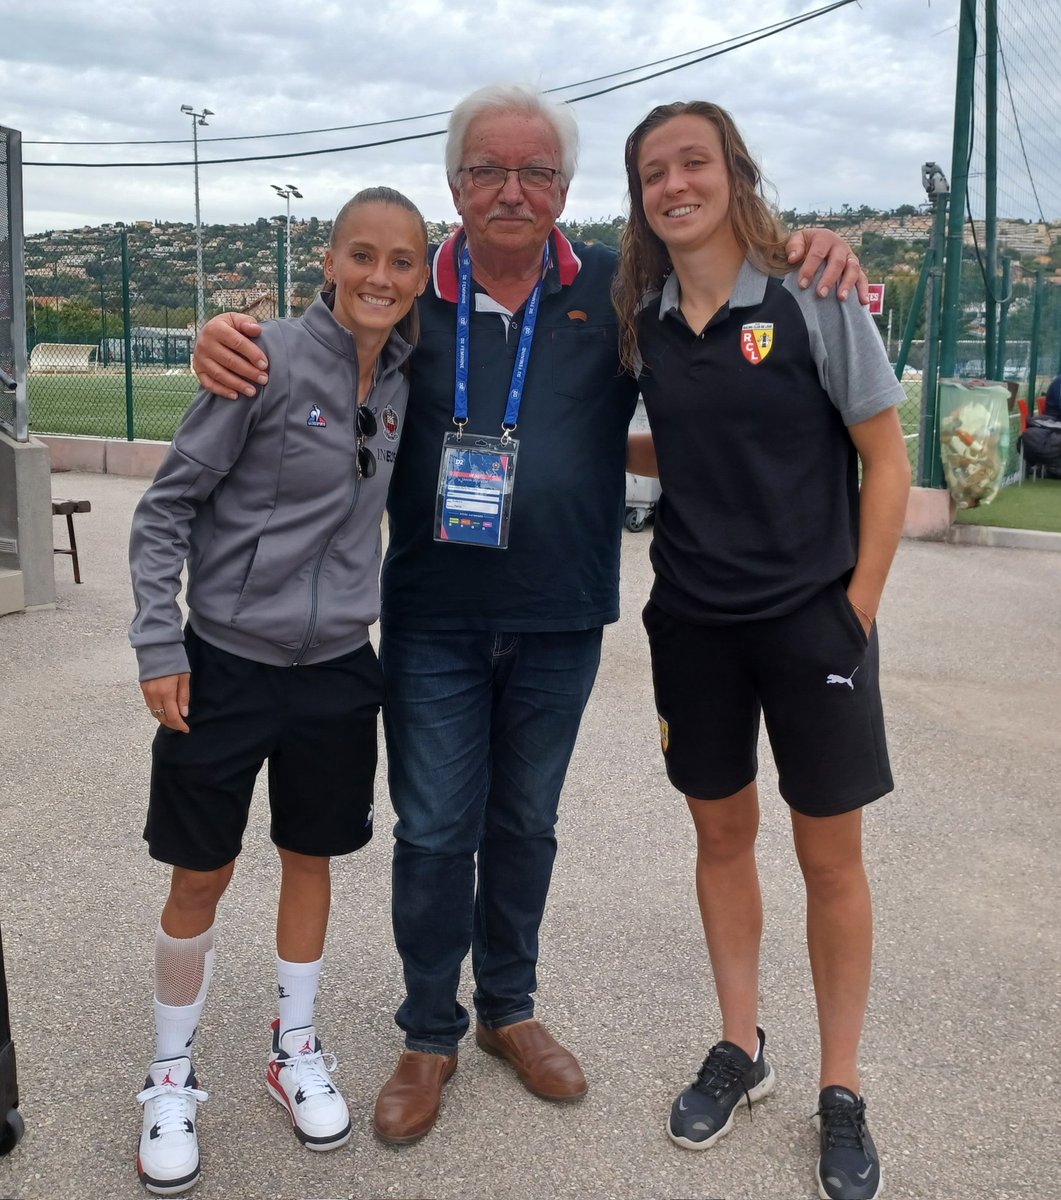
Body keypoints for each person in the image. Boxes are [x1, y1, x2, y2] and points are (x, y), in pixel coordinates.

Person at [190, 84, 865, 1146]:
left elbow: (719, 306)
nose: (512, 190)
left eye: (536, 172)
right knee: (435, 829)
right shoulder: (407, 291)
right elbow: (308, 343)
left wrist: (808, 243)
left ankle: (508, 1007)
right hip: (430, 617)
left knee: (524, 826)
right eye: (488, 171)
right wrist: (223, 335)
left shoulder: (617, 288)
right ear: (456, 184)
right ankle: (428, 1031)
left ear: (563, 188)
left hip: (560, 614)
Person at [614, 102, 911, 1200]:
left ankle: (842, 1087)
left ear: (732, 171)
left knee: (829, 861)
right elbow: (681, 432)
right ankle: (740, 1048)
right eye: (653, 171)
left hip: (809, 625)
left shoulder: (810, 290)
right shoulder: (640, 315)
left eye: (692, 161)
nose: (674, 184)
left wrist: (857, 609)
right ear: (639, 194)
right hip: (692, 622)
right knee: (720, 836)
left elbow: (884, 457)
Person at [127, 187, 429, 1194]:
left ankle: (291, 1049)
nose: (379, 277)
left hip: (340, 669)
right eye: (361, 256)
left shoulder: (402, 376)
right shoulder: (255, 359)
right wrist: (158, 639)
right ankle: (171, 1073)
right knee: (199, 872)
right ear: (329, 262)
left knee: (312, 861)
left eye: (401, 260)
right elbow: (166, 508)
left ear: (420, 276)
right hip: (225, 663)